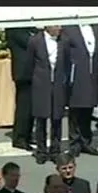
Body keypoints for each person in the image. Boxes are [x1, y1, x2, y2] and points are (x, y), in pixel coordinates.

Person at [30, 26, 70, 164]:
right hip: (41, 84)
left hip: (58, 84)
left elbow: (68, 62)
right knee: (41, 119)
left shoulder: (64, 41)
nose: (59, 28)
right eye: (56, 25)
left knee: (57, 119)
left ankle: (55, 150)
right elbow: (29, 63)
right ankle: (41, 151)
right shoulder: (35, 41)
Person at [63, 24, 98, 157]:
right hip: (76, 74)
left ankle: (86, 141)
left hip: (92, 74)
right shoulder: (69, 29)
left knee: (88, 108)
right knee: (75, 110)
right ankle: (75, 143)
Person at [6, 27, 38, 150]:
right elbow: (30, 42)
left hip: (33, 71)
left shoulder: (30, 28)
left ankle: (27, 135)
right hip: (23, 73)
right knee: (24, 107)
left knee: (31, 107)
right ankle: (20, 137)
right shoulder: (15, 28)